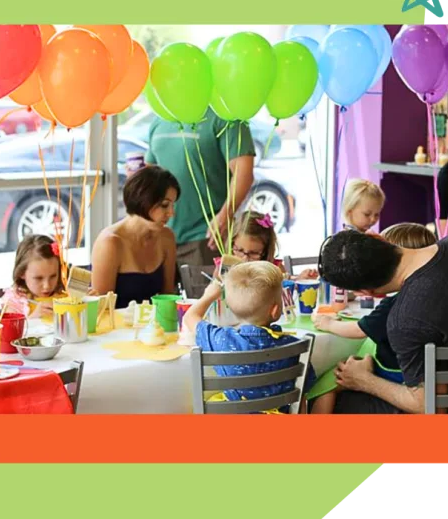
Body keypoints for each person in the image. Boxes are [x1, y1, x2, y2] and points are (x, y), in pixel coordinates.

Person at [317, 229, 448, 414]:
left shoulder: (404, 320)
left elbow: (428, 407)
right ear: (378, 237)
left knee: (334, 400)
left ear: (366, 293)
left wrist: (364, 380)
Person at [309, 223, 437, 415]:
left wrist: (328, 324)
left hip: (397, 378)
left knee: (327, 381)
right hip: (422, 379)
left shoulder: (394, 307)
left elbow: (359, 330)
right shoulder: (433, 298)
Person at [183, 261, 312, 414]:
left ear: (230, 307)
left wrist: (209, 295)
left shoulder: (221, 339)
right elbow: (302, 393)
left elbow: (190, 316)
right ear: (276, 310)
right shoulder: (295, 347)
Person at [144, 108, 255, 276]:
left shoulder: (225, 115)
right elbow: (150, 171)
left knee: (206, 300)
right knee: (163, 301)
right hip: (162, 237)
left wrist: (225, 215)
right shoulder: (160, 119)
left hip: (205, 237)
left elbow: (244, 174)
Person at [91, 165, 179, 307]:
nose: (171, 213)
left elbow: (167, 298)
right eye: (164, 205)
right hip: (116, 327)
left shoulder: (166, 237)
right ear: (143, 200)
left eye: (172, 205)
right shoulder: (110, 243)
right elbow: (101, 310)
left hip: (154, 327)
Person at [230, 210, 318, 280]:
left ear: (265, 250)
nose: (245, 259)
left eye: (254, 253)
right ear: (232, 243)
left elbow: (286, 284)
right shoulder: (226, 267)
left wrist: (299, 279)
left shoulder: (275, 269)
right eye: (240, 250)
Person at [1, 235, 66, 319]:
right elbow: (12, 330)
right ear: (21, 273)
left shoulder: (65, 292)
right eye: (38, 278)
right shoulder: (14, 301)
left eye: (53, 276)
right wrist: (33, 317)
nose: (47, 286)